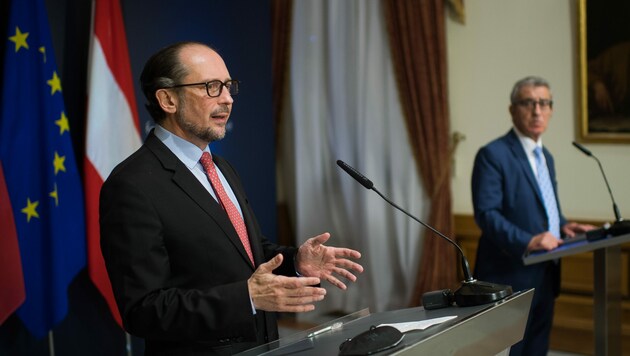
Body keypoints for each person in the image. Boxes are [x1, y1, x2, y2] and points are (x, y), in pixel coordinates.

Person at [99, 41, 364, 355]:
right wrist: (247, 299)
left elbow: (244, 254)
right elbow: (143, 310)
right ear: (168, 99)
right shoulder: (132, 185)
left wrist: (295, 261)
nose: (227, 99)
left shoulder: (220, 167)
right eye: (211, 87)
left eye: (228, 86)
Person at [471, 76, 594, 356]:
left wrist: (564, 225)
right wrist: (528, 240)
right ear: (513, 109)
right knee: (510, 351)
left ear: (551, 109)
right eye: (528, 103)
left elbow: (544, 209)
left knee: (537, 349)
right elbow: (486, 214)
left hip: (546, 272)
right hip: (509, 273)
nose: (537, 111)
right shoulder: (493, 154)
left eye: (544, 103)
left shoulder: (545, 156)